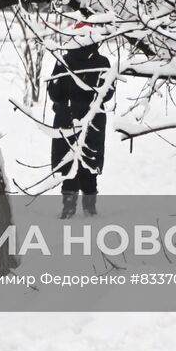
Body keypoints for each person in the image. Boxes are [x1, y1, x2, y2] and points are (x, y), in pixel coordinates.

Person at [48, 39, 112, 219]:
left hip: (66, 116)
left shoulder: (63, 62)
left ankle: (68, 207)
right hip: (94, 116)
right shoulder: (103, 63)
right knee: (90, 158)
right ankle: (90, 207)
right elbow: (108, 92)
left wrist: (68, 100)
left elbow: (53, 93)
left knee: (68, 160)